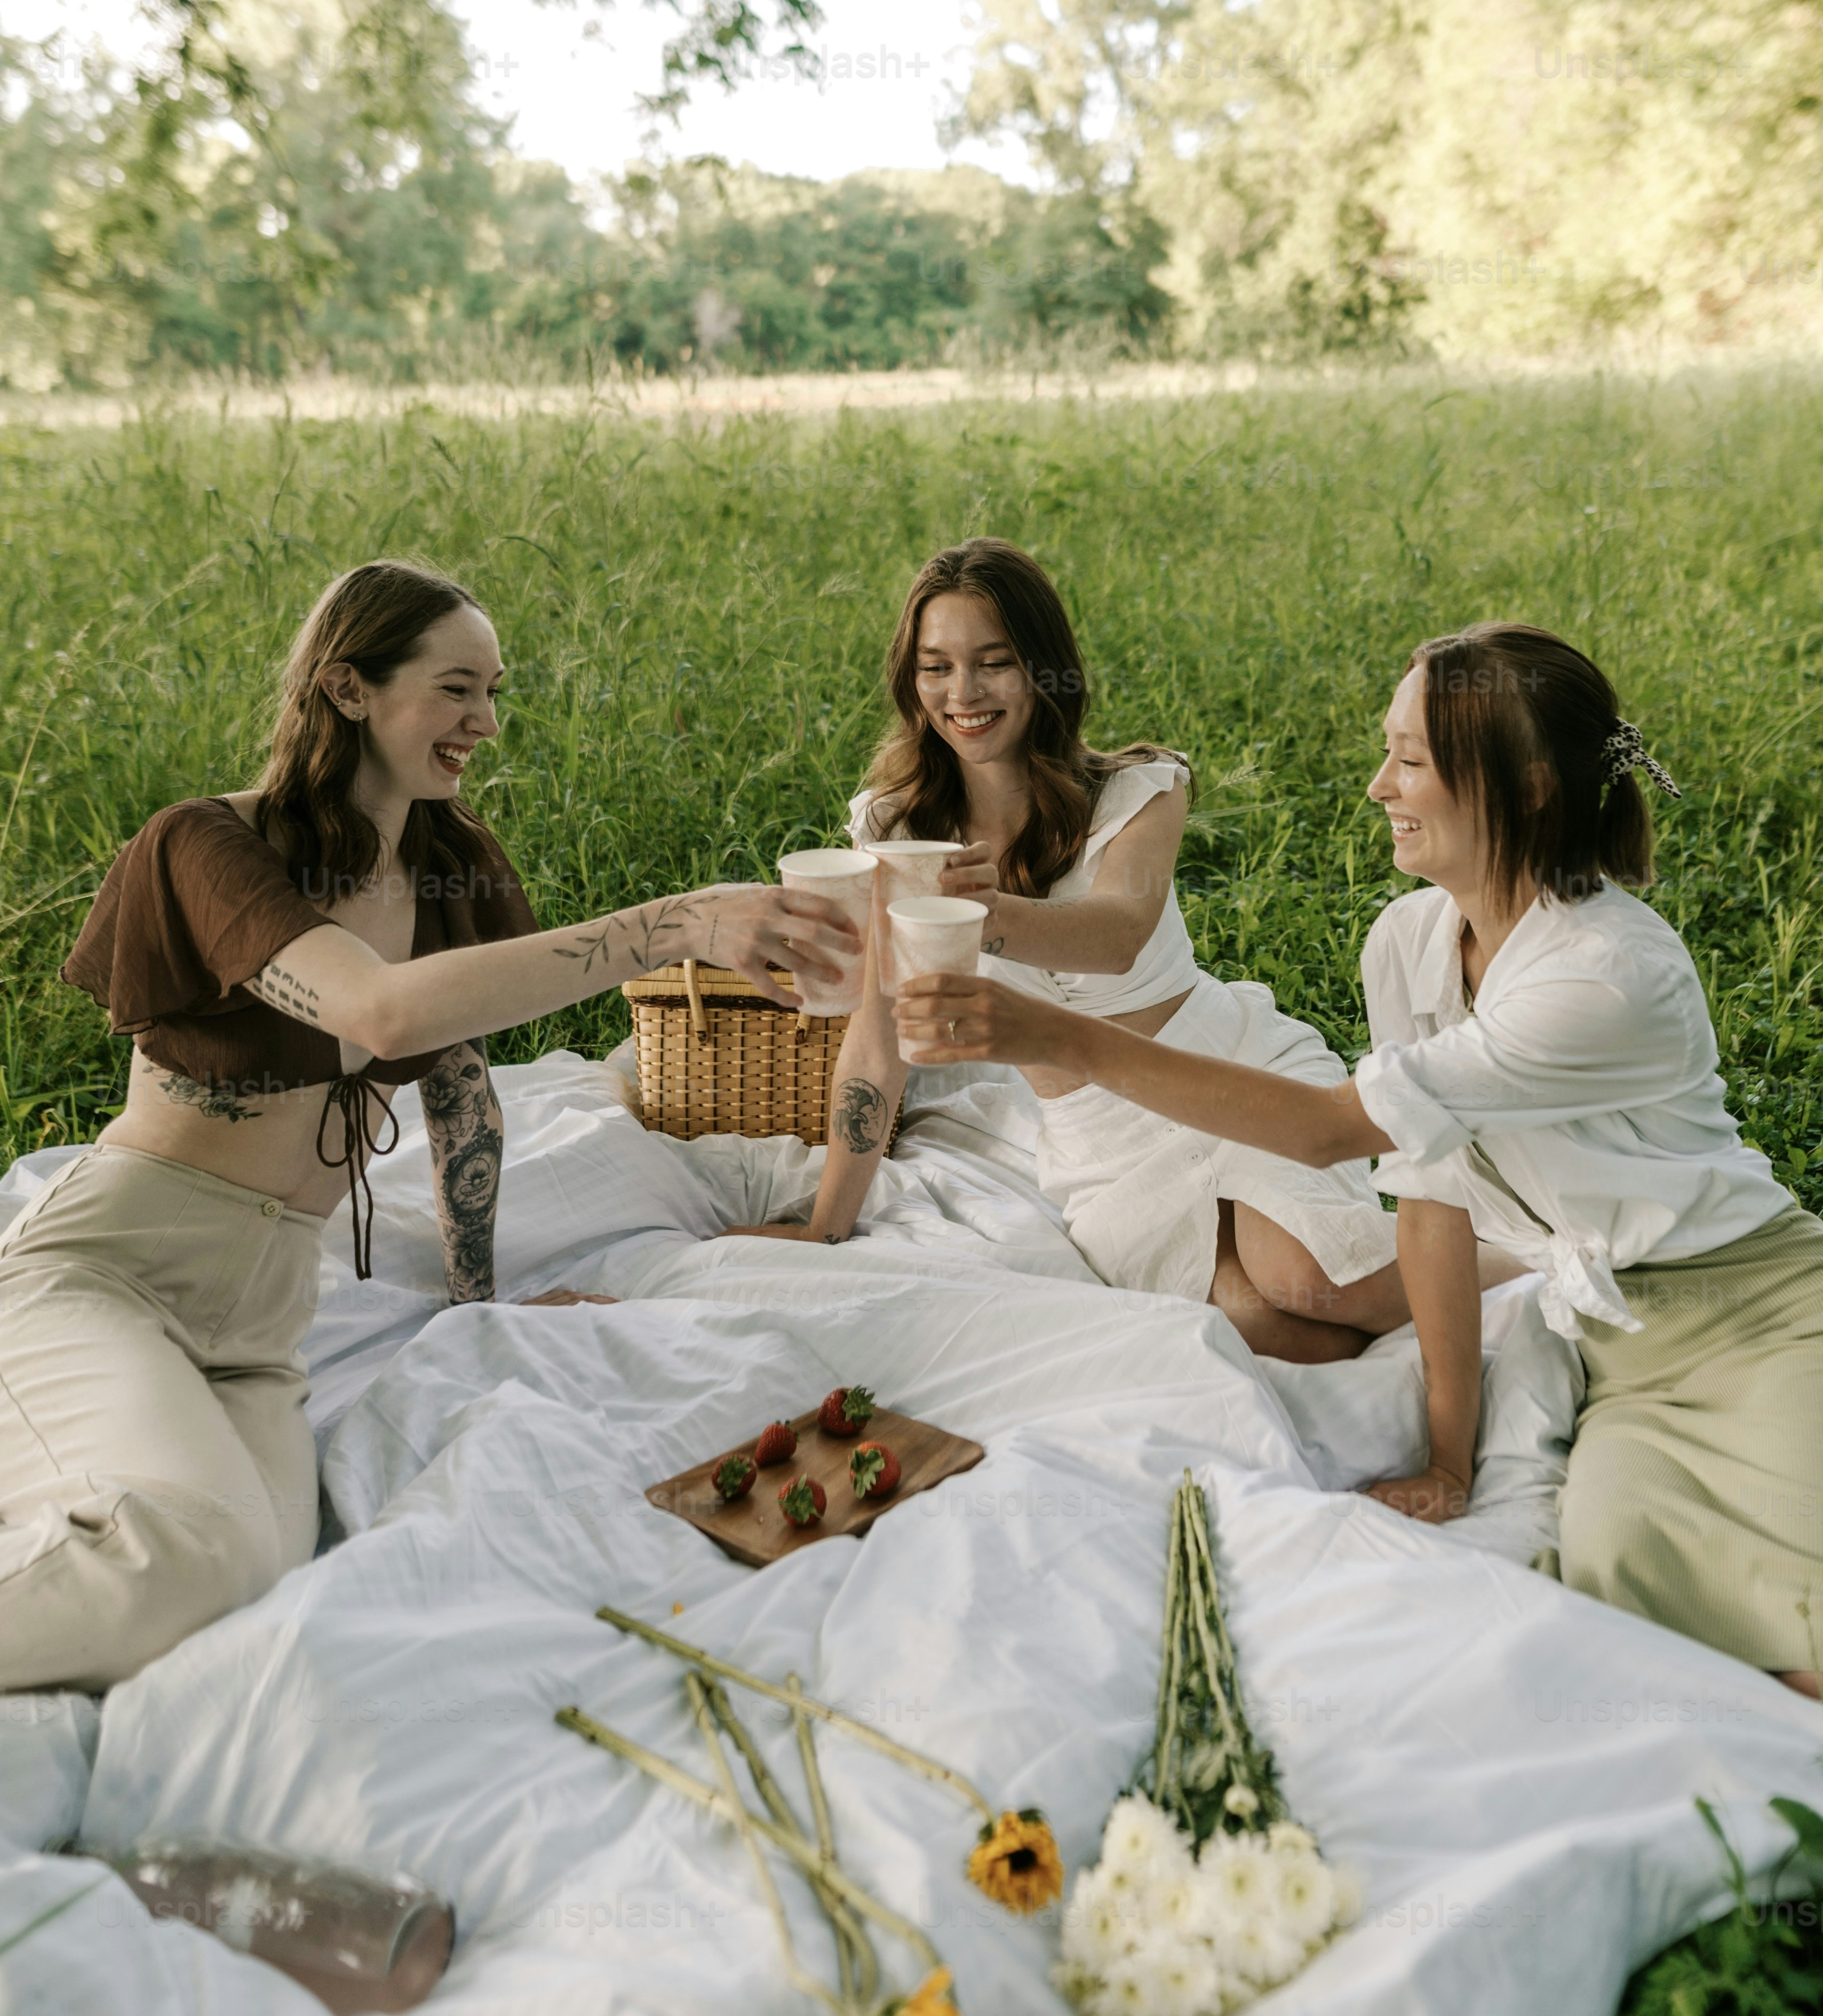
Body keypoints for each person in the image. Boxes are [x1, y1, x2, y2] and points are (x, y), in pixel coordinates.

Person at [899, 620, 1823, 1692]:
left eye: (1412, 762)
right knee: (1624, 1570)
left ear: (1525, 787)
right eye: (1386, 751)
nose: (1378, 786)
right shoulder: (1409, 940)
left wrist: (1055, 1038)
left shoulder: (1601, 977)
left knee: (1783, 1596)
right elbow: (1429, 1196)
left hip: (1749, 1317)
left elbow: (1330, 1131)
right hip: (1610, 1346)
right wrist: (1443, 1457)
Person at [0, 560, 857, 1693]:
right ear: (350, 688)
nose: (485, 723)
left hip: (263, 1326)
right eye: (457, 689)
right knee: (181, 1557)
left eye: (494, 692)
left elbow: (454, 1090)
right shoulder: (208, 847)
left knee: (257, 1568)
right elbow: (376, 1008)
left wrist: (477, 1298)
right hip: (115, 1271)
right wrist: (676, 924)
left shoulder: (452, 866)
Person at [739, 537, 1437, 1359]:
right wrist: (827, 1226)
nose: (962, 693)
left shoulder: (1138, 790)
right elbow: (877, 1031)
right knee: (1263, 1327)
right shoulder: (891, 832)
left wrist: (968, 911)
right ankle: (1450, 1331)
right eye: (935, 667)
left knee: (1306, 1279)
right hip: (1101, 1142)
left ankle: (1550, 1281)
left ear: (1043, 668)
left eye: (994, 662)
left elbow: (1115, 937)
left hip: (1226, 1069)